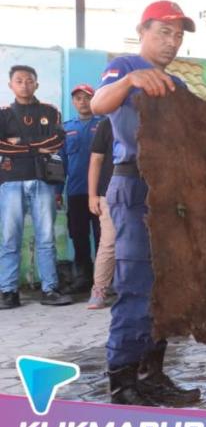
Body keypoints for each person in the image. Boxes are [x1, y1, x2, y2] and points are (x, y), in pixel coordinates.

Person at [89, 0, 200, 406]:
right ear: (143, 31)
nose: (172, 43)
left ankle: (151, 375)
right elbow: (100, 104)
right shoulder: (124, 66)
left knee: (166, 289)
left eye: (178, 36)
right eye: (164, 33)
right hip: (135, 188)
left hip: (172, 194)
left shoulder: (179, 86)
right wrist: (132, 80)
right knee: (137, 288)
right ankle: (122, 384)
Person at [0, 65, 74, 309]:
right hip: (10, 181)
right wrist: (35, 147)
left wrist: (20, 145)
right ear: (11, 85)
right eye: (19, 80)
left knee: (46, 237)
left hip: (43, 180)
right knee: (10, 238)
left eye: (29, 80)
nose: (24, 84)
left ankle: (50, 289)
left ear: (36, 84)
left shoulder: (49, 111)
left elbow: (56, 140)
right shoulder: (3, 114)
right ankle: (8, 292)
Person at [59, 83, 104, 294]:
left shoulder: (104, 124)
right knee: (78, 235)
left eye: (86, 97)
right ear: (73, 102)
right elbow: (61, 164)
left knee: (103, 236)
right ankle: (84, 279)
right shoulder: (66, 128)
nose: (82, 102)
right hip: (76, 192)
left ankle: (104, 281)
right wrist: (58, 191)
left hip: (101, 193)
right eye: (78, 98)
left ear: (93, 99)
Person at [86, 117, 117, 309]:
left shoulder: (154, 118)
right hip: (110, 193)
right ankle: (99, 289)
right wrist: (92, 195)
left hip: (148, 192)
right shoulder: (108, 123)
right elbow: (96, 159)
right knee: (109, 242)